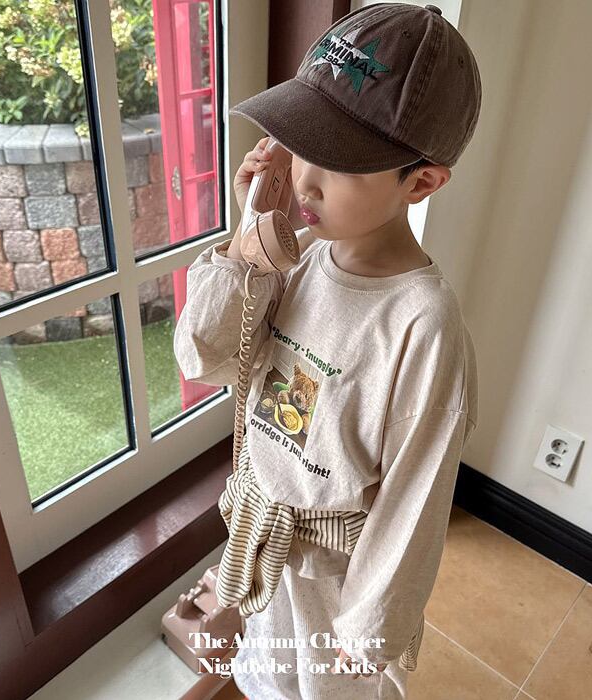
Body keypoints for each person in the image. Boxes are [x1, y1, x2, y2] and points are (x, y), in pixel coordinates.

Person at [173, 3, 482, 698]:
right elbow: (203, 358)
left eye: (340, 164)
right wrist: (250, 239)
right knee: (267, 677)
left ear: (422, 182)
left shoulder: (422, 324)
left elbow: (415, 497)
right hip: (264, 536)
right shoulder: (302, 257)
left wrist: (370, 627)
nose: (305, 178)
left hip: (333, 576)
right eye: (301, 145)